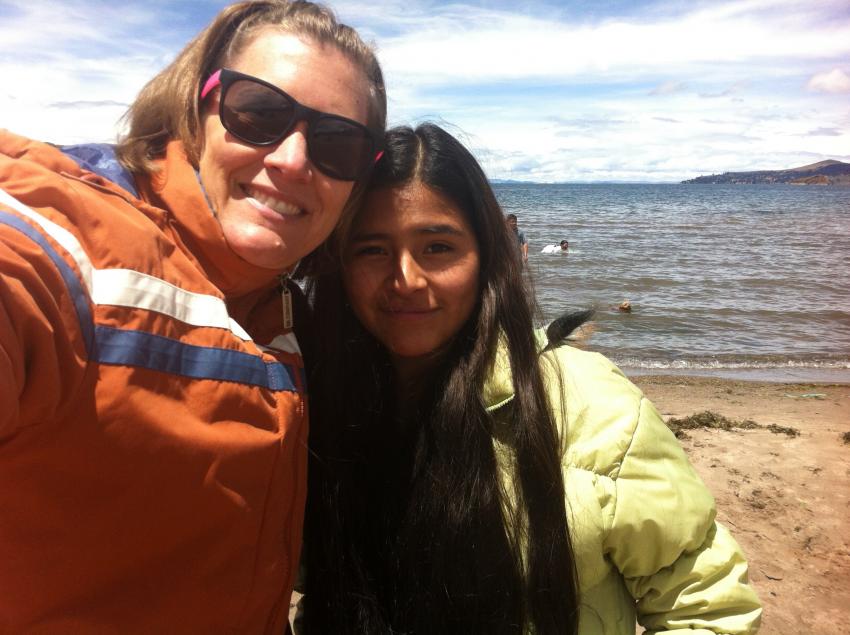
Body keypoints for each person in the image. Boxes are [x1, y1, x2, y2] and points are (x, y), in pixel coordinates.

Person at [0, 1, 385, 631]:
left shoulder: (280, 305)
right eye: (258, 114)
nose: (292, 158)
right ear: (195, 110)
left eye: (337, 143)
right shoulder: (67, 243)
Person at [299, 123, 761, 634]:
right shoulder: (314, 405)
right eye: (372, 250)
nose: (405, 278)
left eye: (437, 247)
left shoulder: (589, 404)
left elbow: (708, 607)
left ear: (486, 257)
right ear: (338, 263)